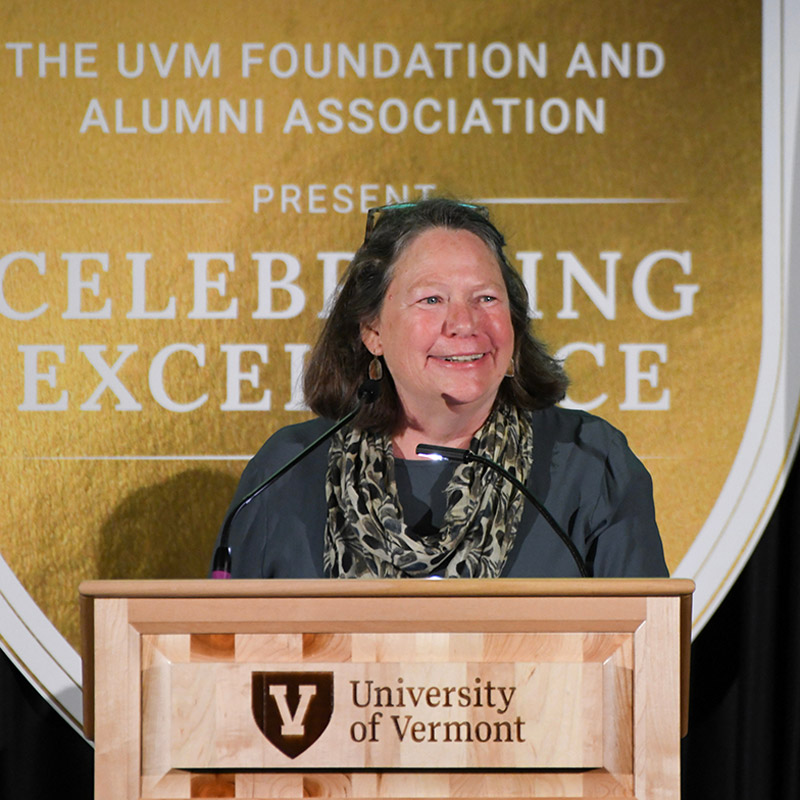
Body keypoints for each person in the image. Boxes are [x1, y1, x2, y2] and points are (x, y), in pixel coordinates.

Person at [212, 198, 668, 579]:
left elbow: (642, 659)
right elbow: (230, 663)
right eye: (432, 299)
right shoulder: (286, 472)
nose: (465, 323)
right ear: (372, 330)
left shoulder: (590, 463)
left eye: (486, 298)